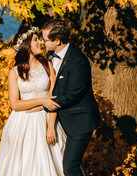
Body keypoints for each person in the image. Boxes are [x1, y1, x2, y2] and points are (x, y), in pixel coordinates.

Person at [0, 26, 66, 176]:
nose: (40, 42)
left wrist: (51, 127)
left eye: (39, 39)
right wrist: (42, 101)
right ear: (26, 45)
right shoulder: (14, 72)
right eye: (35, 40)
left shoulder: (47, 65)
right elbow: (15, 104)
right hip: (22, 124)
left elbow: (55, 97)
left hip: (46, 120)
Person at [41, 19, 101, 176]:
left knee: (70, 166)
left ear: (57, 41)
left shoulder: (78, 61)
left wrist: (44, 104)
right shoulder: (50, 55)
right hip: (62, 119)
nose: (43, 42)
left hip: (80, 121)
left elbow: (72, 95)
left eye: (46, 40)